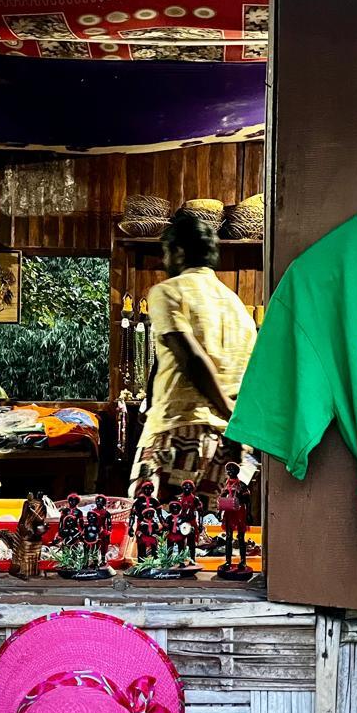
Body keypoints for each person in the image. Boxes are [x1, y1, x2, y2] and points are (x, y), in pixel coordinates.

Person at [129, 211, 257, 499]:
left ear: (179, 251)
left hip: (178, 433)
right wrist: (236, 420)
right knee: (210, 538)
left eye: (166, 252)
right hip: (227, 443)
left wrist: (228, 410)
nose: (164, 261)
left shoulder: (168, 292)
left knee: (154, 532)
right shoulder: (237, 307)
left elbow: (191, 358)